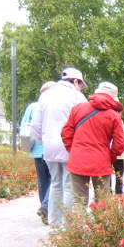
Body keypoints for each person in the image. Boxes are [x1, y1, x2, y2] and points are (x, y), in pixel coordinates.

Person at [31, 68, 87, 226]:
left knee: (55, 183)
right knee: (69, 185)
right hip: (70, 145)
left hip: (49, 146)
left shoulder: (46, 95)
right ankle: (66, 225)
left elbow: (35, 125)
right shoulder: (77, 97)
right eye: (80, 84)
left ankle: (54, 222)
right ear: (75, 81)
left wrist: (43, 141)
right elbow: (83, 124)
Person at [61, 82, 124, 207]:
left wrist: (74, 150)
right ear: (113, 98)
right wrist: (110, 157)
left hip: (78, 159)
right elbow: (119, 144)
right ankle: (100, 226)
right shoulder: (114, 116)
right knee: (102, 202)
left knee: (79, 202)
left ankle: (77, 227)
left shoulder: (78, 108)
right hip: (101, 160)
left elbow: (65, 133)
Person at [20, 81, 56, 224]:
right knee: (55, 179)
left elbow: (24, 127)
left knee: (42, 180)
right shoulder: (50, 106)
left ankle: (44, 209)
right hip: (50, 148)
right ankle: (46, 207)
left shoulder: (32, 107)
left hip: (36, 149)